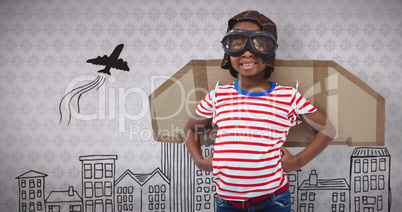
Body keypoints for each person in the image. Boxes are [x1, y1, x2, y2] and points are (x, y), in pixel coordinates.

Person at [184, 10, 336, 211]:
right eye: (237, 44)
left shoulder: (287, 96)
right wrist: (200, 162)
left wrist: (297, 161)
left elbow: (327, 130)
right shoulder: (217, 95)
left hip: (273, 201)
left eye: (258, 43)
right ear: (228, 51)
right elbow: (190, 129)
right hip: (226, 203)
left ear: (270, 51)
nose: (247, 52)